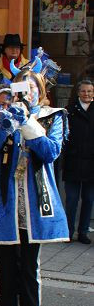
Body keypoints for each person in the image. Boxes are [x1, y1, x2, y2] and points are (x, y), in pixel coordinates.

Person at [0, 72, 69, 306]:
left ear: (40, 91)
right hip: (5, 203)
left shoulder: (51, 116)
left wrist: (28, 122)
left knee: (29, 269)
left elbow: (50, 152)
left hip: (34, 204)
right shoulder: (4, 111)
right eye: (22, 87)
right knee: (5, 267)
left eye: (31, 88)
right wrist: (4, 120)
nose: (26, 92)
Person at [62, 79, 94, 244]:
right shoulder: (69, 111)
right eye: (83, 91)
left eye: (89, 91)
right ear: (78, 92)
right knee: (72, 200)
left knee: (89, 200)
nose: (86, 94)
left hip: (91, 164)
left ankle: (83, 232)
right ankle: (68, 231)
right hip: (73, 162)